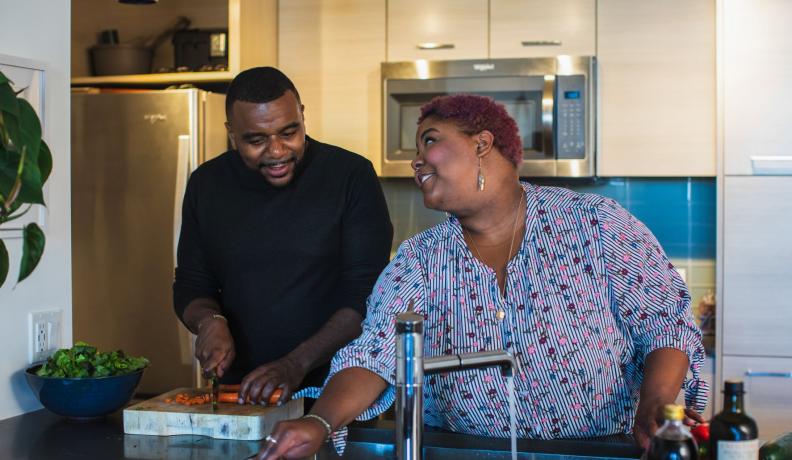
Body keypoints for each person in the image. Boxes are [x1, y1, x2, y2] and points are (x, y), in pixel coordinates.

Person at [255, 94, 708, 459]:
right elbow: (374, 354)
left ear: (482, 143)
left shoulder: (596, 223)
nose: (417, 162)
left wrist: (655, 405)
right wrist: (319, 421)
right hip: (464, 451)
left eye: (429, 141)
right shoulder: (420, 259)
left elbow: (663, 322)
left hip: (599, 450)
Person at [172, 67, 393, 404]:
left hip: (339, 392)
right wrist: (209, 322)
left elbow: (367, 296)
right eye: (256, 140)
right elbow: (191, 283)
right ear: (232, 133)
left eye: (289, 132)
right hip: (242, 392)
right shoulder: (207, 184)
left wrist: (295, 364)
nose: (276, 151)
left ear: (302, 116)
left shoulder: (350, 176)